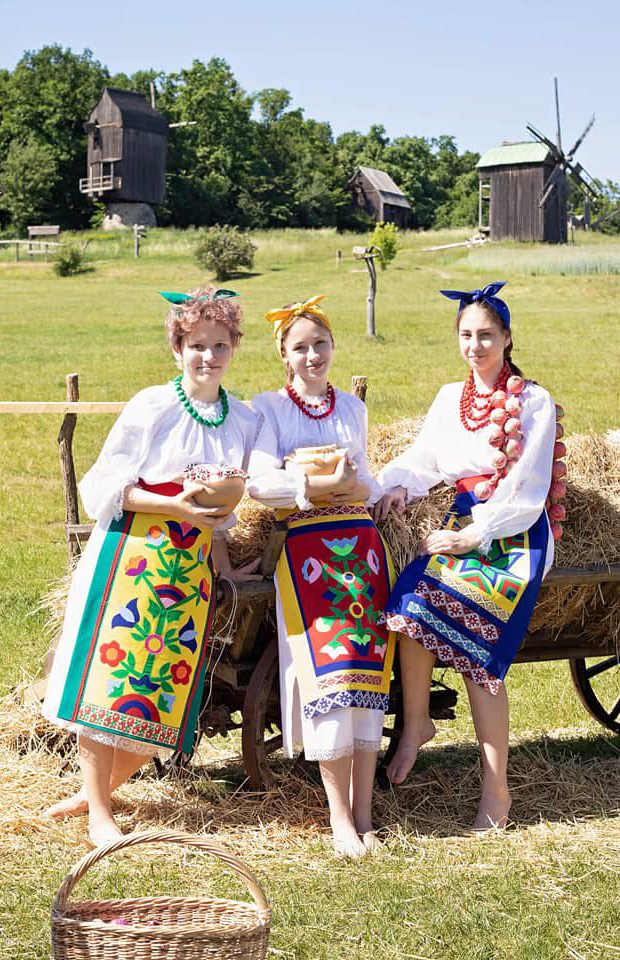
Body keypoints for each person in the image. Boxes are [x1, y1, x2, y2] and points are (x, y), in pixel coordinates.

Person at [43, 286, 268, 845]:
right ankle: (99, 812)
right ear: (177, 349)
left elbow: (219, 512)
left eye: (220, 345)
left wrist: (223, 563)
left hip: (190, 570)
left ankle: (93, 794)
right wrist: (172, 506)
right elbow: (104, 486)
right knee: (109, 684)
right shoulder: (152, 406)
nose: (208, 356)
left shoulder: (242, 420)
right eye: (197, 345)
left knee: (160, 696)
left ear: (235, 348)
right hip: (132, 556)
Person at [372, 282, 556, 830]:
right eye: (466, 335)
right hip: (460, 519)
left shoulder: (532, 401)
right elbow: (425, 456)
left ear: (507, 338)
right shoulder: (450, 397)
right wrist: (400, 483)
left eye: (487, 335)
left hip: (512, 533)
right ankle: (416, 724)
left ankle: (496, 792)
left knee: (477, 638)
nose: (475, 346)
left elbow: (528, 490)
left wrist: (475, 535)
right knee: (409, 603)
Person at [248, 295, 396, 857]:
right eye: (300, 348)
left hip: (363, 548)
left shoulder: (351, 409)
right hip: (308, 549)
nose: (312, 355)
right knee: (330, 678)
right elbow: (260, 483)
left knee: (366, 674)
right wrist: (313, 485)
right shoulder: (268, 409)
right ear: (284, 356)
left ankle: (366, 813)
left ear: (333, 346)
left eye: (320, 344)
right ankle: (339, 819)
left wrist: (364, 487)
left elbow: (368, 477)